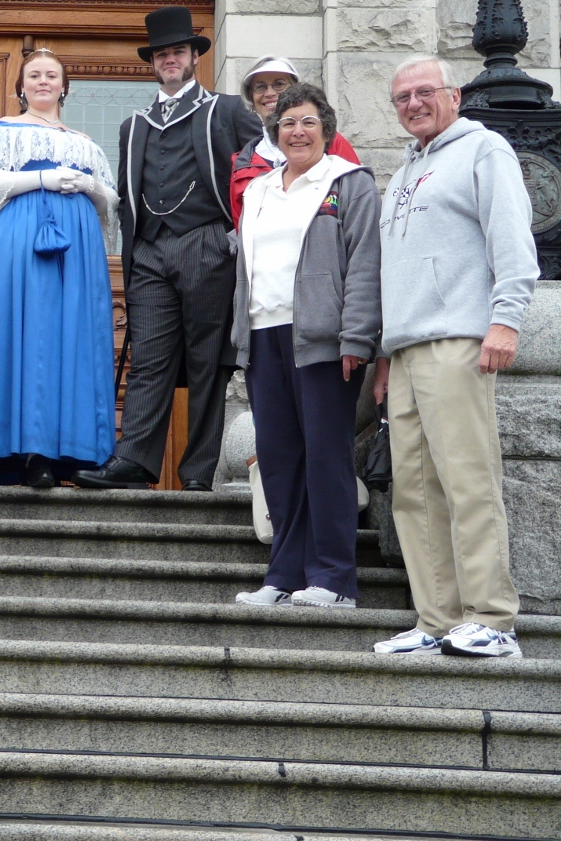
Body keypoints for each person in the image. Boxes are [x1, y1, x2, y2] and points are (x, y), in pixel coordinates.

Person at [372, 56, 538, 658]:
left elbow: (512, 241)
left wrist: (505, 321)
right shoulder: (406, 170)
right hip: (410, 350)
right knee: (414, 492)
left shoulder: (483, 150)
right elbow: (398, 271)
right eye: (402, 98)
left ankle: (493, 618)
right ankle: (437, 619)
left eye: (424, 92)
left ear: (454, 94)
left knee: (468, 481)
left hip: (461, 341)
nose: (413, 104)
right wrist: (388, 352)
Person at [74, 6, 262, 492]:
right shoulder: (133, 125)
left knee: (206, 364)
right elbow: (126, 197)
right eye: (162, 54)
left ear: (193, 57)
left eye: (178, 51)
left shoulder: (226, 110)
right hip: (150, 254)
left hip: (207, 243)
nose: (170, 59)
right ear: (153, 63)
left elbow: (261, 174)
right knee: (150, 360)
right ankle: (135, 462)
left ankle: (197, 473)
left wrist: (239, 237)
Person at [230, 83, 381, 610]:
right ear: (275, 132)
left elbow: (365, 263)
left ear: (326, 130)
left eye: (308, 122)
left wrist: (358, 336)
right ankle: (284, 573)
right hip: (263, 336)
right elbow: (245, 270)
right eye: (288, 122)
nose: (297, 130)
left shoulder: (347, 183)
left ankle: (335, 579)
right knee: (278, 459)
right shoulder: (259, 190)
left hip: (322, 340)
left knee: (326, 457)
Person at [0, 49, 119, 487]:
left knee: (76, 335)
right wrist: (41, 179)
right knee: (30, 334)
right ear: (20, 87)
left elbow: (110, 204)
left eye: (52, 75)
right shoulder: (2, 132)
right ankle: (29, 450)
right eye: (34, 75)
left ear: (65, 86)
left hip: (78, 246)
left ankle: (79, 451)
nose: (43, 81)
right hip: (22, 240)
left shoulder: (85, 142)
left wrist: (91, 185)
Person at [229, 55, 360, 230]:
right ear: (251, 98)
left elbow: (356, 202)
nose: (269, 93)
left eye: (279, 84)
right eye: (260, 87)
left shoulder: (331, 142)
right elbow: (242, 231)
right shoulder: (242, 164)